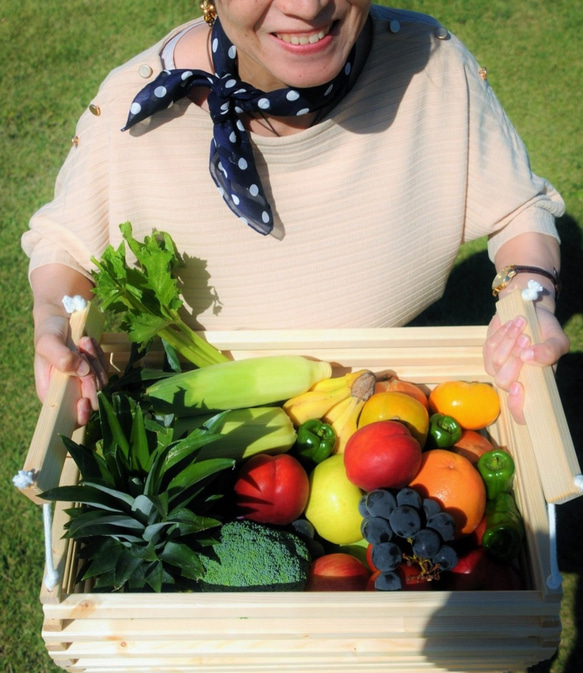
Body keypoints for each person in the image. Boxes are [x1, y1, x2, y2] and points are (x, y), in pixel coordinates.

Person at [22, 1, 569, 427]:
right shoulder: (131, 111)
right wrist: (53, 320)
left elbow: (519, 209)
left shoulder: (432, 65)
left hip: (382, 403)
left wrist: (529, 294)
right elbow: (66, 247)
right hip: (199, 424)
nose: (307, 8)